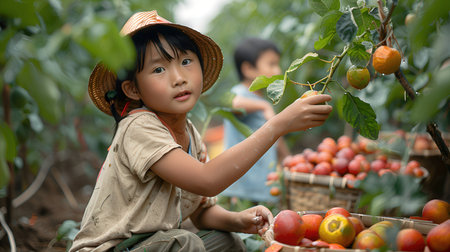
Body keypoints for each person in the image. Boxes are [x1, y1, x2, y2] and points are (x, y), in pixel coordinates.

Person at [70, 10, 332, 252]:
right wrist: (277, 125)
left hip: (157, 244)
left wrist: (240, 220)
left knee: (227, 241)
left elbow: (200, 212)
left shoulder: (190, 133)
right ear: (133, 90)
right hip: (114, 248)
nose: (178, 77)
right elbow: (207, 180)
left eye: (186, 61)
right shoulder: (138, 126)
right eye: (159, 69)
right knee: (185, 242)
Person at [221, 38, 291, 204]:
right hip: (244, 185)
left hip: (263, 182)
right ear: (248, 69)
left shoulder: (260, 98)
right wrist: (263, 106)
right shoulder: (241, 93)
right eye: (271, 64)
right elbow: (230, 102)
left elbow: (276, 135)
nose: (278, 70)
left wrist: (288, 159)